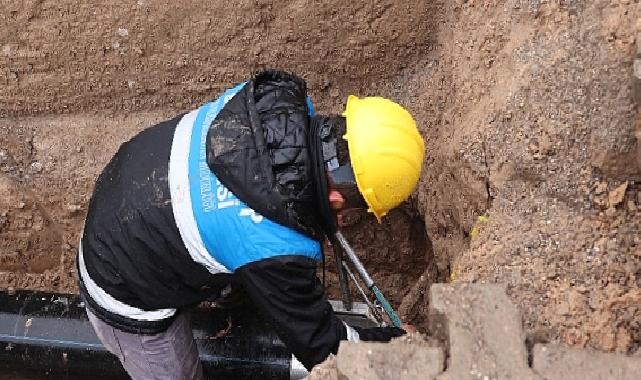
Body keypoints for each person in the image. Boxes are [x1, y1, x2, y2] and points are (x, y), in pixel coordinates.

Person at [76, 70, 425, 380]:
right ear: (338, 201)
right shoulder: (272, 245)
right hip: (121, 283)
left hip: (131, 186)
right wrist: (396, 345)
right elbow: (325, 350)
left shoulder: (276, 102)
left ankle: (228, 292)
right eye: (355, 212)